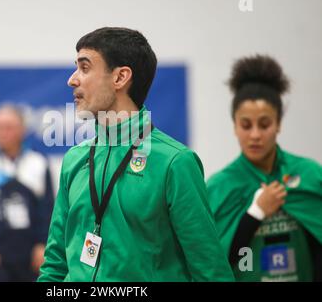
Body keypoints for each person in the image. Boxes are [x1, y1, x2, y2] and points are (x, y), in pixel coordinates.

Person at [38, 27, 234, 281]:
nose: (72, 79)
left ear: (120, 77)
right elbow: (55, 266)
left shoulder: (174, 163)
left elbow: (211, 272)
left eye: (85, 68)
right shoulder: (74, 160)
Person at [207, 55, 322, 282]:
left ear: (278, 123)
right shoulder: (219, 187)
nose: (255, 135)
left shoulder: (310, 175)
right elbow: (214, 264)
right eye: (246, 125)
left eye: (265, 124)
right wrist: (255, 213)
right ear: (234, 126)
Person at [0, 105, 54, 282]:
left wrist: (43, 245)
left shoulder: (38, 162)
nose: (2, 133)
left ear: (22, 130)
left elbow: (50, 208)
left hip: (31, 258)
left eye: (8, 127)